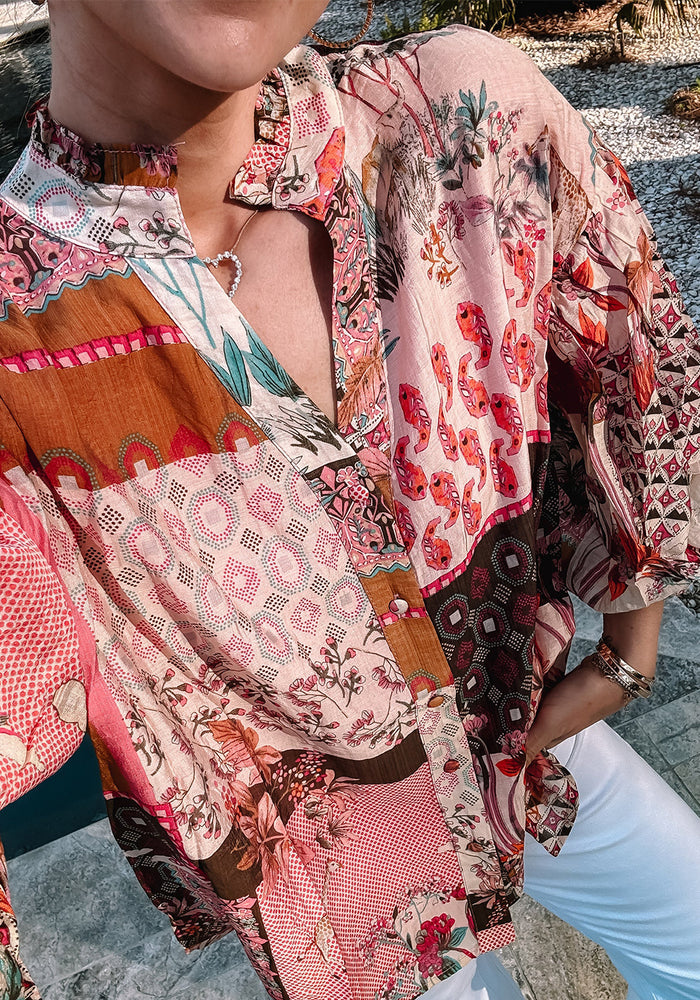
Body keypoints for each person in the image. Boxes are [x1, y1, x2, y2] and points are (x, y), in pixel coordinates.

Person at [0, 1, 699, 998]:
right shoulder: (18, 343)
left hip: (533, 735)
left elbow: (636, 357)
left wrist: (627, 655)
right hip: (353, 884)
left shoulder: (461, 118)